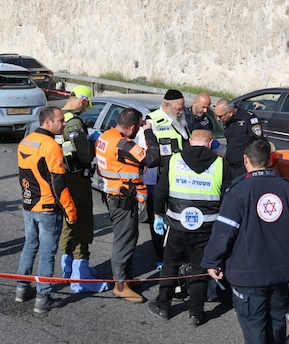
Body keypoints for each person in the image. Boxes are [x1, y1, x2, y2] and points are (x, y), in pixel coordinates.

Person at [202, 138, 289, 344]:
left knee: (253, 325)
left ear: (246, 160)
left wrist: (211, 261)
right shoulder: (286, 188)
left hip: (249, 274)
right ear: (271, 161)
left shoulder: (239, 190)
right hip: (282, 270)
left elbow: (223, 232)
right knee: (276, 319)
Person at [150, 129, 232, 326]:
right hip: (207, 227)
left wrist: (158, 215)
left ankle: (163, 306)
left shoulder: (174, 160)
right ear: (211, 143)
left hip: (177, 225)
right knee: (200, 269)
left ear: (189, 141)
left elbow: (160, 193)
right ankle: (195, 313)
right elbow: (228, 198)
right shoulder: (220, 163)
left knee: (170, 264)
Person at [15, 107, 78, 313]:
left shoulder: (26, 141)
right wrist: (71, 211)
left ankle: (21, 289)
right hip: (47, 207)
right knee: (47, 253)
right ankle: (43, 298)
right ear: (48, 122)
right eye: (61, 121)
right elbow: (58, 184)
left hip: (28, 203)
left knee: (29, 245)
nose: (64, 124)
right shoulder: (51, 146)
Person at [95, 107, 161, 303]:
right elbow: (153, 158)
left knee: (129, 238)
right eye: (139, 126)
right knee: (124, 242)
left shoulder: (107, 135)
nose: (139, 129)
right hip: (123, 198)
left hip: (116, 195)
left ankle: (128, 278)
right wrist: (148, 131)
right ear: (132, 127)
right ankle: (120, 285)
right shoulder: (123, 144)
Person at [57, 85, 109, 293]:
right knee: (82, 225)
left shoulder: (57, 117)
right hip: (77, 181)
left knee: (68, 224)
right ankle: (81, 277)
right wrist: (93, 142)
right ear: (81, 100)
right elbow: (85, 155)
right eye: (87, 104)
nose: (87, 108)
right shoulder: (75, 123)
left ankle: (68, 270)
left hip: (62, 179)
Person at [145, 89, 190, 264]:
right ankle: (161, 257)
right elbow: (149, 154)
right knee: (159, 221)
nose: (181, 111)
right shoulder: (152, 121)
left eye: (183, 107)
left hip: (179, 180)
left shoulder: (181, 122)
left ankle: (176, 254)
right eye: (179, 108)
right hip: (159, 180)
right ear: (167, 105)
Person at [214, 98, 264, 179]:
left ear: (230, 112)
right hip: (229, 164)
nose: (218, 119)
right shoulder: (227, 120)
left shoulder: (248, 119)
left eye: (220, 116)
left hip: (243, 167)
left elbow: (257, 142)